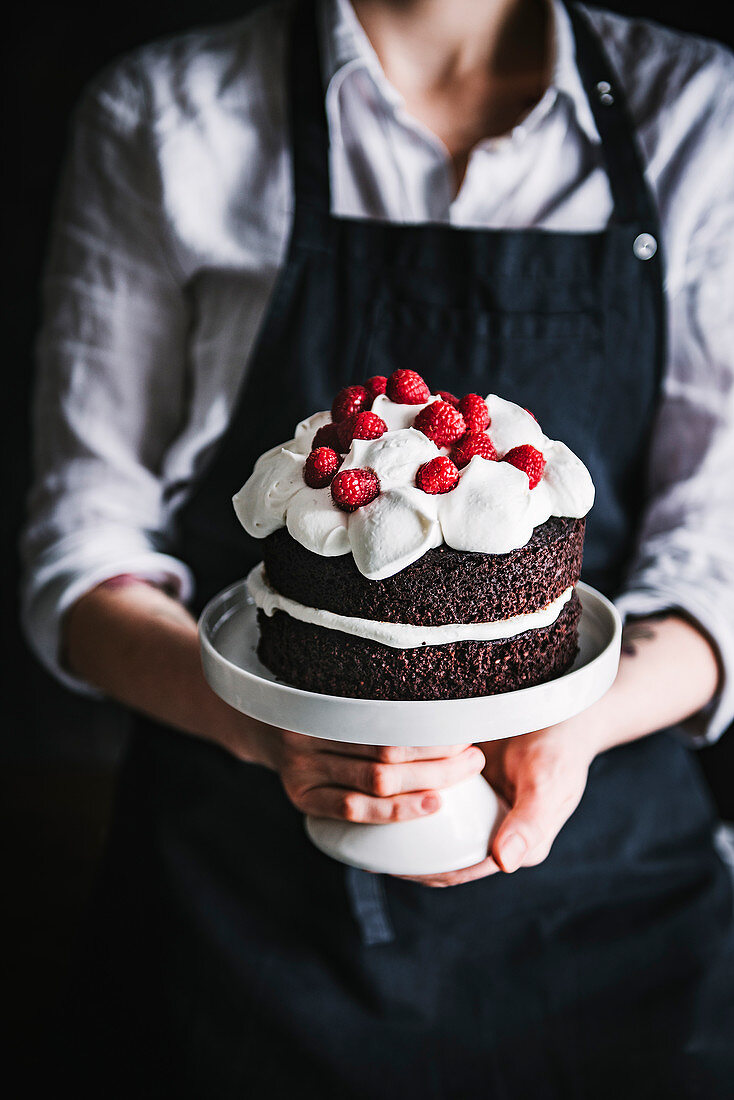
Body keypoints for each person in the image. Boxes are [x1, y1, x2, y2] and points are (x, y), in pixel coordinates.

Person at [21, 0, 734, 1095]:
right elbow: (83, 540)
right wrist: (258, 721)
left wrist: (578, 720)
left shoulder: (698, 111)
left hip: (608, 902)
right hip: (235, 904)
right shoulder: (162, 114)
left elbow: (720, 540)